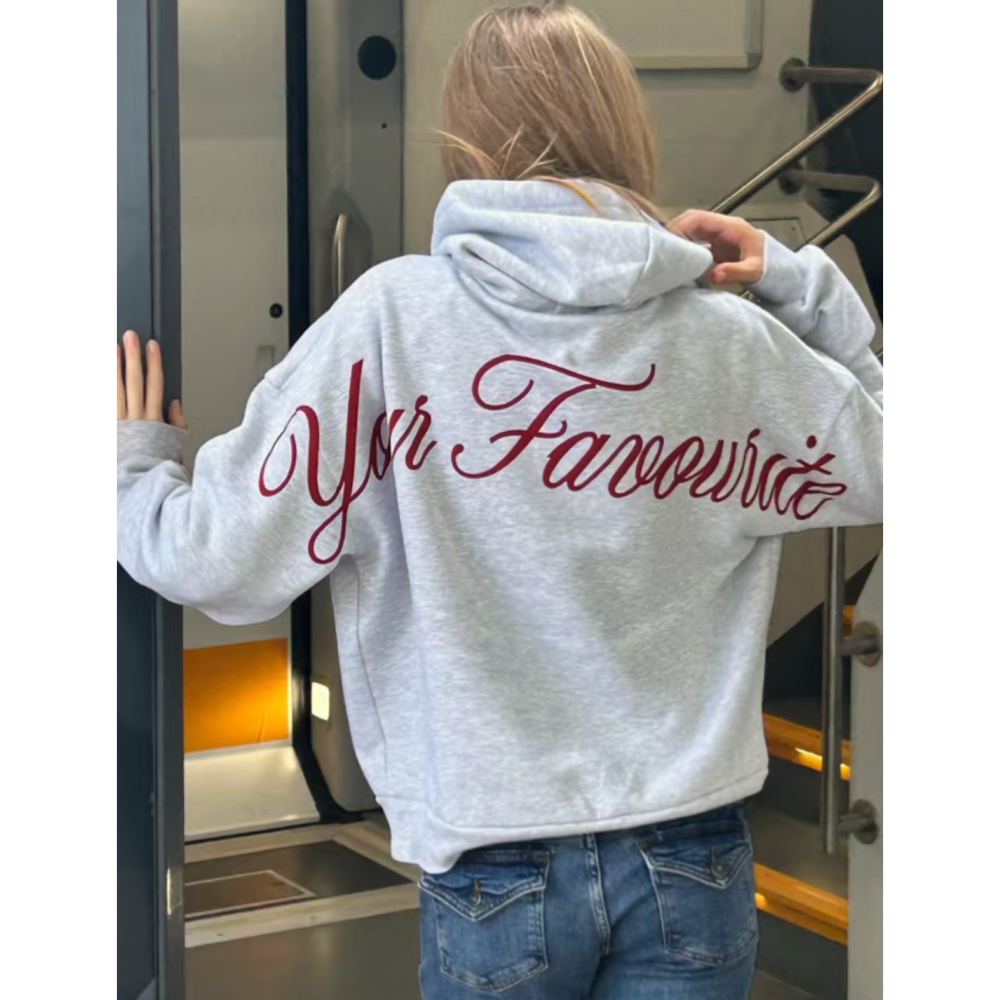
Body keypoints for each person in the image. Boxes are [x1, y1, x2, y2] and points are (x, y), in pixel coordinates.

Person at [117, 3, 882, 998]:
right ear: (626, 129)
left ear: (468, 141)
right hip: (691, 855)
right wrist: (800, 284)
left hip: (494, 860)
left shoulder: (392, 324)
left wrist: (136, 466)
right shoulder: (727, 340)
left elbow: (217, 561)